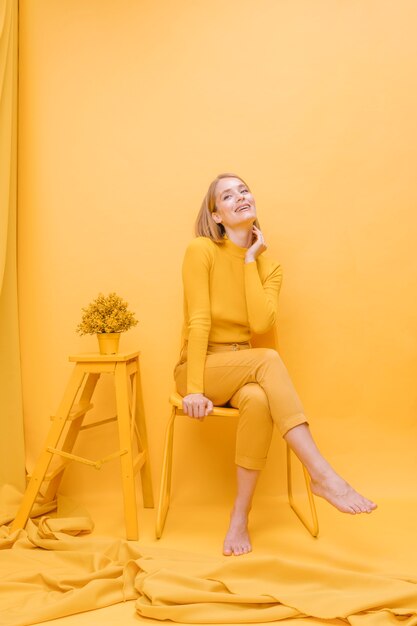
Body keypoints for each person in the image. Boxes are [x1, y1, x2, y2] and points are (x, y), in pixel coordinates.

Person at [174, 173, 377, 557]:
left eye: (244, 191)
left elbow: (261, 324)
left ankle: (240, 516)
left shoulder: (270, 267)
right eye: (227, 196)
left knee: (259, 399)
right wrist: (195, 388)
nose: (240, 197)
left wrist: (251, 260)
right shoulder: (200, 250)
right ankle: (322, 476)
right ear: (216, 215)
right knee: (267, 360)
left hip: (245, 368)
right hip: (201, 367)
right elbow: (198, 320)